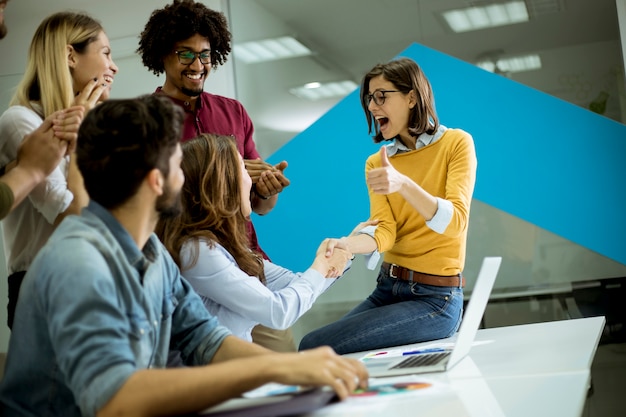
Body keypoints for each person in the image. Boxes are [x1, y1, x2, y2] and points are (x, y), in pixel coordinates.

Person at [0, 95, 367, 417]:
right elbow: (114, 402)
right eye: (178, 165)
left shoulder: (153, 253)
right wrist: (276, 370)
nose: (186, 178)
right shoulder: (80, 263)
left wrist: (291, 366)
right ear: (156, 182)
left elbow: (202, 338)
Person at [137, 0, 294, 351]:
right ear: (162, 54)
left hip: (247, 263)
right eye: (186, 54)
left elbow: (260, 207)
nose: (198, 65)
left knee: (285, 361)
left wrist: (266, 187)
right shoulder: (145, 119)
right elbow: (147, 203)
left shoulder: (233, 112)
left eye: (205, 55)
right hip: (187, 276)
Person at [299, 57, 477, 355]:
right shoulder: (377, 162)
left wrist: (403, 184)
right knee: (312, 346)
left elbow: (455, 221)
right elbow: (385, 231)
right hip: (388, 288)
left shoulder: (456, 144)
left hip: (435, 299)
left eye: (381, 96)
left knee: (315, 347)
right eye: (369, 99)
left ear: (411, 97)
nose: (372, 106)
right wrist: (346, 245)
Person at [157, 133, 351, 342]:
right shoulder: (197, 252)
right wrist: (323, 264)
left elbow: (295, 283)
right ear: (222, 185)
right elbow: (278, 312)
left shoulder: (225, 246)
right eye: (243, 169)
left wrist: (344, 249)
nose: (252, 180)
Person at [0, 11, 118, 328]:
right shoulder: (20, 122)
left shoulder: (95, 129)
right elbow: (77, 219)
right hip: (44, 282)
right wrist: (79, 143)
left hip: (95, 276)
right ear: (70, 55)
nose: (113, 66)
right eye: (106, 53)